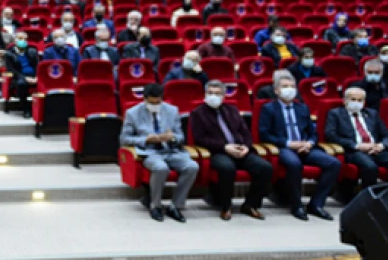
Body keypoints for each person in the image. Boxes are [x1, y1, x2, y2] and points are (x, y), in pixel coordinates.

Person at [257, 71, 340, 221]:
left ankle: (316, 203)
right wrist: (289, 143)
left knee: (333, 164)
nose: (289, 89)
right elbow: (265, 135)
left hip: (305, 147)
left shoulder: (302, 108)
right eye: (285, 86)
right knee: (294, 164)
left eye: (292, 86)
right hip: (284, 147)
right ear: (276, 90)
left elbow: (313, 133)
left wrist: (309, 143)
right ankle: (297, 205)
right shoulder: (268, 109)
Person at [190, 80, 273, 220]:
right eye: (210, 93)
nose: (213, 96)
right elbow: (200, 138)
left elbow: (245, 131)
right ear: (205, 94)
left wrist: (246, 146)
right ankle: (226, 206)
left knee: (265, 167)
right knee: (227, 168)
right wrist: (224, 147)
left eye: (217, 93)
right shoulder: (198, 113)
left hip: (240, 149)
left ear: (223, 95)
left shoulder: (232, 110)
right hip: (217, 151)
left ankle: (250, 204)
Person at [119, 83, 198, 223]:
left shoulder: (172, 110)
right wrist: (146, 139)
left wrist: (172, 137)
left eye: (158, 102)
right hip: (149, 151)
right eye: (151, 102)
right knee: (161, 168)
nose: (155, 104)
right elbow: (124, 139)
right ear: (145, 99)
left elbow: (181, 136)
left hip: (172, 150)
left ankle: (175, 206)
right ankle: (155, 205)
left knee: (192, 167)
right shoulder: (132, 113)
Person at [326, 86, 388, 188]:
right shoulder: (335, 114)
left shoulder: (372, 114)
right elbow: (331, 135)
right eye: (353, 99)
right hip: (355, 151)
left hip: (377, 150)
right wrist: (357, 146)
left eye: (360, 100)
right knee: (370, 167)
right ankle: (369, 200)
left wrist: (381, 145)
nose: (356, 102)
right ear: (344, 101)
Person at [5, 31, 40, 118]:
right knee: (22, 84)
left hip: (33, 76)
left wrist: (37, 77)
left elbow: (38, 66)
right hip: (19, 76)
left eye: (25, 39)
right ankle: (26, 109)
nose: (23, 41)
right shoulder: (9, 53)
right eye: (20, 39)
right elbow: (11, 70)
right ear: (15, 40)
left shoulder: (32, 51)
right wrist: (25, 78)